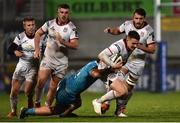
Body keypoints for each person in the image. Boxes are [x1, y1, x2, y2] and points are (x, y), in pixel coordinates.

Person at [93, 8, 157, 117]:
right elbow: (117, 31)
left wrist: (139, 46)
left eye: (140, 19)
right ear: (133, 17)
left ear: (144, 19)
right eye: (136, 18)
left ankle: (119, 111)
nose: (138, 21)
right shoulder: (127, 24)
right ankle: (106, 103)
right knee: (118, 81)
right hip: (126, 59)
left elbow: (152, 49)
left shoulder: (149, 31)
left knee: (129, 89)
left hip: (138, 62)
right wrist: (110, 30)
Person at [19, 60, 117, 119]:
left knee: (55, 109)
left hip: (65, 86)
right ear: (102, 62)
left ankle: (26, 111)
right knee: (75, 104)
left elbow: (105, 80)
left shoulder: (95, 65)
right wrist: (109, 69)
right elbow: (96, 74)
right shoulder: (94, 66)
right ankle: (64, 114)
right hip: (68, 91)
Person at [33, 3, 79, 108]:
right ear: (57, 12)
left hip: (61, 63)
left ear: (69, 13)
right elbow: (37, 34)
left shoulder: (72, 28)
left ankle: (46, 107)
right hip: (48, 59)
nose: (64, 15)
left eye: (66, 12)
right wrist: (36, 50)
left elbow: (75, 45)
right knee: (41, 81)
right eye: (61, 12)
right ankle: (37, 102)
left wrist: (62, 41)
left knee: (53, 87)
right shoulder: (49, 24)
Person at [7, 16, 38, 118]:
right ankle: (13, 111)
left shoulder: (40, 36)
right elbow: (10, 49)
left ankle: (30, 101)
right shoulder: (20, 37)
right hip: (21, 66)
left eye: (33, 24)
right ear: (24, 26)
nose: (31, 27)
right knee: (14, 92)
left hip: (33, 67)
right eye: (28, 25)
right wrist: (15, 51)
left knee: (27, 91)